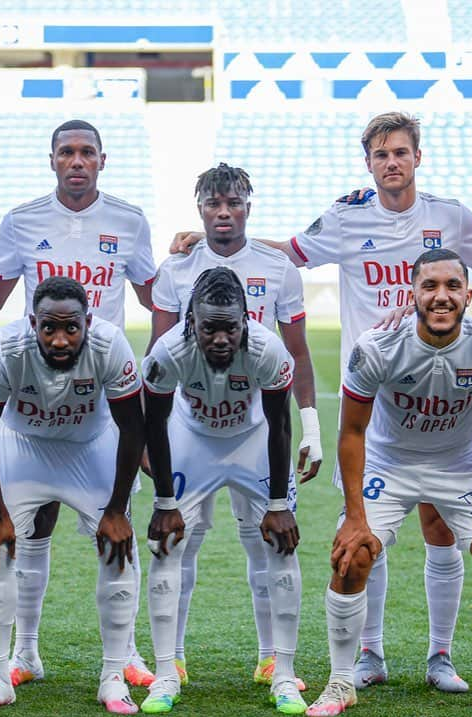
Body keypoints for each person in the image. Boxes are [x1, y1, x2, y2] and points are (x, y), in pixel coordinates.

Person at [171, 112, 472, 692]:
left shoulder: (449, 216)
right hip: (372, 388)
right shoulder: (349, 214)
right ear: (369, 163)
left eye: (401, 152)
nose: (392, 163)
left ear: (417, 157)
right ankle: (370, 653)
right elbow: (292, 253)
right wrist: (210, 241)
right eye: (381, 155)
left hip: (437, 383)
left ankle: (440, 656)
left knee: (439, 527)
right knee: (364, 536)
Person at [306, 249, 472, 717]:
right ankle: (341, 681)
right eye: (430, 287)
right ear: (413, 294)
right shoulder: (378, 346)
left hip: (460, 464)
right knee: (352, 556)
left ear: (469, 294)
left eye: (452, 286)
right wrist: (355, 517)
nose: (441, 296)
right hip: (389, 463)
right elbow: (351, 433)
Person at [0, 119, 157, 688]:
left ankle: (127, 653)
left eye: (88, 152)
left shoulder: (130, 220)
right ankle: (24, 652)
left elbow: (157, 297)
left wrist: (148, 362)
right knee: (32, 526)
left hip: (100, 395)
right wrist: (2, 360)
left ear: (103, 161)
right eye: (68, 152)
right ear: (53, 159)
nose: (77, 161)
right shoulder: (21, 220)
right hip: (37, 390)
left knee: (115, 524)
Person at [149, 162, 320, 689]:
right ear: (199, 208)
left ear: (249, 206)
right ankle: (170, 661)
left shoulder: (278, 268)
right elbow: (157, 355)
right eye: (213, 205)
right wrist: (148, 449)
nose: (224, 213)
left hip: (256, 427)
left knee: (268, 542)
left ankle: (274, 659)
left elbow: (297, 351)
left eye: (234, 204)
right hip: (191, 426)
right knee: (176, 542)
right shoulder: (174, 268)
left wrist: (309, 426)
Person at [0, 276, 145, 715]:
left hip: (89, 446)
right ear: (32, 323)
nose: (60, 339)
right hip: (24, 445)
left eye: (71, 328)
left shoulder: (110, 345)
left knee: (119, 547)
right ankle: (0, 673)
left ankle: (113, 675)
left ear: (88, 322)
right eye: (49, 328)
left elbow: (133, 426)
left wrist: (118, 510)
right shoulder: (5, 348)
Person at [142, 266, 305, 715]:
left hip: (252, 441)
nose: (219, 339)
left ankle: (282, 671)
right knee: (167, 546)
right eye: (208, 327)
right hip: (193, 440)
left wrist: (277, 504)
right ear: (190, 320)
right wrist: (164, 502)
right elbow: (153, 422)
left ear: (246, 322)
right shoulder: (167, 352)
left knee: (281, 548)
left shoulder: (268, 350)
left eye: (229, 328)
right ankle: (166, 669)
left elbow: (279, 425)